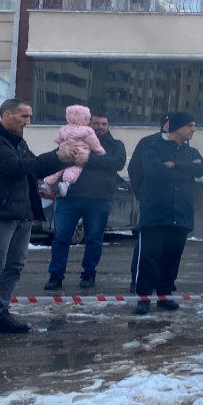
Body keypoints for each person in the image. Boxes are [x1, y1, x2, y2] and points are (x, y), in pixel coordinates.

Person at [0, 99, 76, 341]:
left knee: (14, 266)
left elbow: (33, 169)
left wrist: (61, 160)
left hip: (21, 211)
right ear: (7, 114)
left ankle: (0, 312)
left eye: (29, 117)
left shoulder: (17, 141)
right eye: (24, 117)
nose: (28, 122)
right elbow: (14, 167)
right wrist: (56, 155)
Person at [133, 112, 203, 314]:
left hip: (181, 213)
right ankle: (143, 297)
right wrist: (187, 169)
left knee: (172, 257)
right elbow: (154, 169)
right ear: (177, 127)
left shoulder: (189, 151)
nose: (193, 129)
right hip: (156, 212)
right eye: (190, 125)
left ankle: (165, 295)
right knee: (149, 256)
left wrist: (176, 165)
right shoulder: (153, 146)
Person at [45, 110, 126, 291]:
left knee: (94, 239)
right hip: (69, 198)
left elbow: (117, 163)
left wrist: (89, 159)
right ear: (87, 124)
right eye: (96, 124)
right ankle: (55, 276)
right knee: (60, 238)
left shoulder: (115, 145)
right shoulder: (71, 139)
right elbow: (54, 158)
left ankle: (89, 274)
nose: (101, 128)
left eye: (104, 124)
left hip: (99, 199)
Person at [128, 114, 169, 291]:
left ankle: (163, 282)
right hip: (151, 201)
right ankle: (137, 281)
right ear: (164, 124)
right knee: (146, 242)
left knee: (168, 243)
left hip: (173, 203)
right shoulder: (149, 142)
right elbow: (135, 168)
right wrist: (142, 192)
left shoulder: (182, 144)